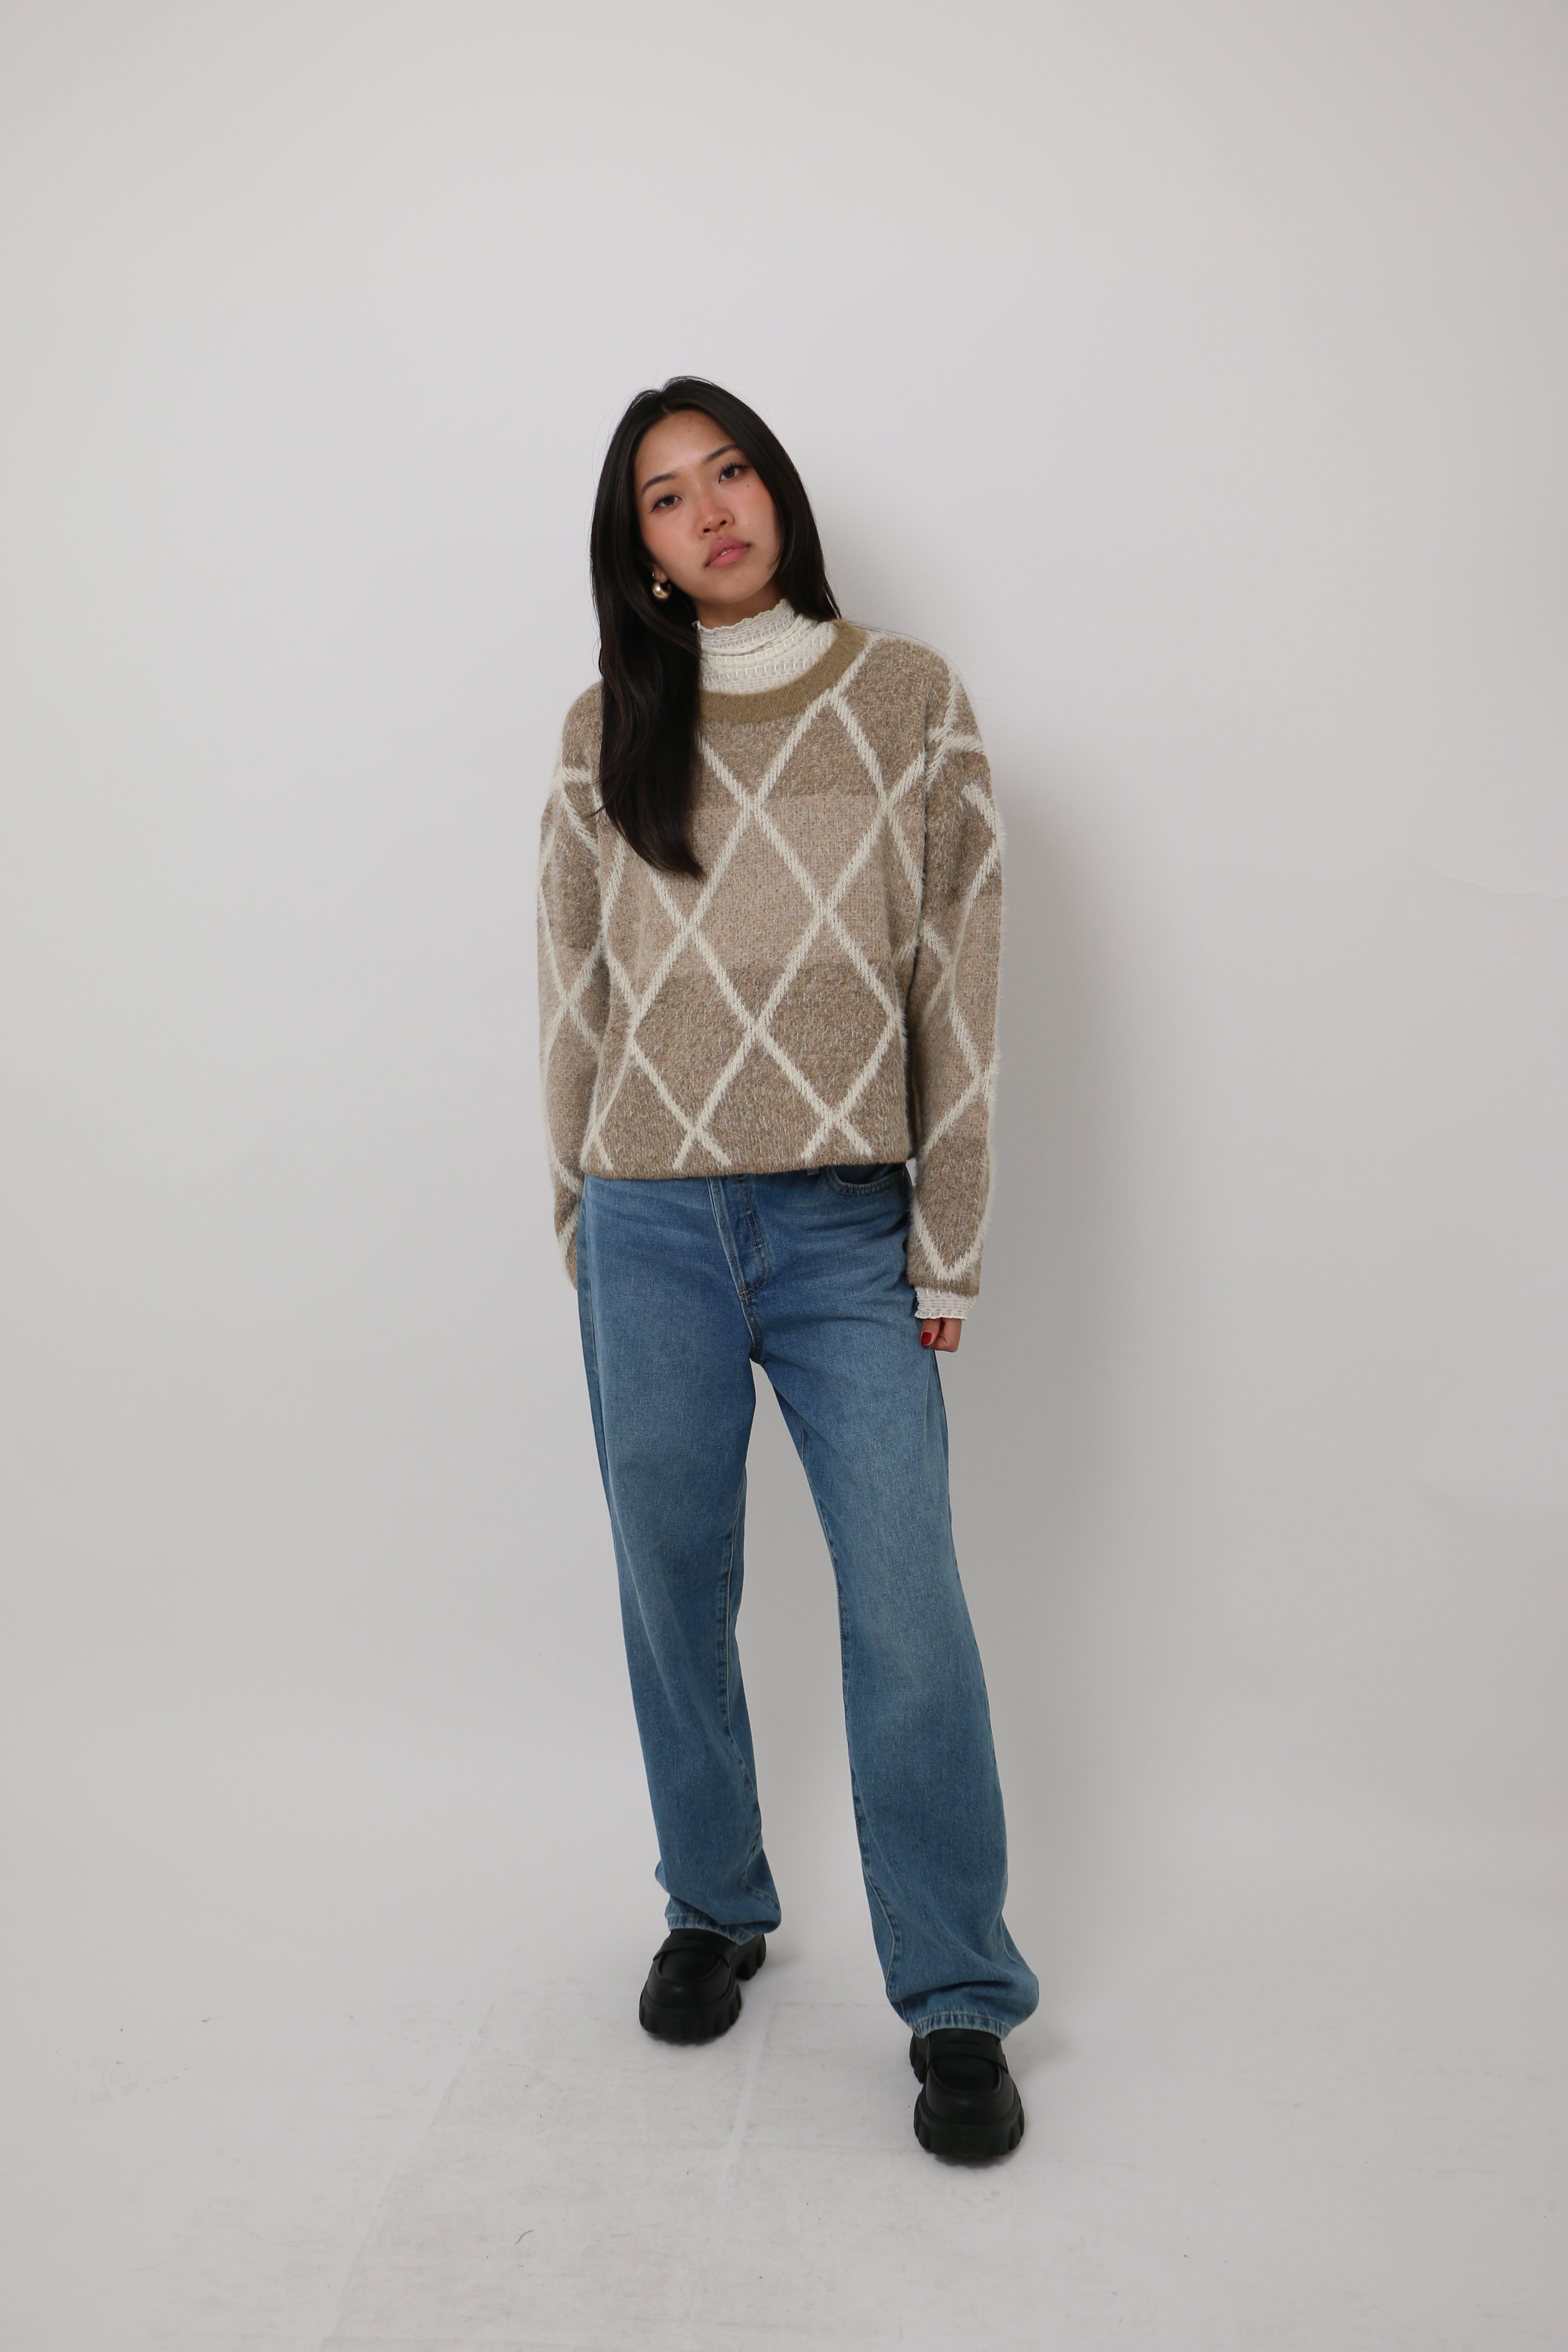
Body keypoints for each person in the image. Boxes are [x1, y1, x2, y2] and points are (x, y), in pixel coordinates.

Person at [536, 376, 1037, 2161]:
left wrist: (947, 1235)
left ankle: (959, 1989)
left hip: (844, 1228)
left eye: (730, 470)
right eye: (667, 497)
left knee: (907, 1605)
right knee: (670, 1585)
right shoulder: (607, 726)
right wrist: (580, 1218)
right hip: (651, 1224)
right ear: (644, 555)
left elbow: (960, 969)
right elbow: (574, 983)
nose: (711, 510)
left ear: (777, 491)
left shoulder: (910, 700)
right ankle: (714, 1903)